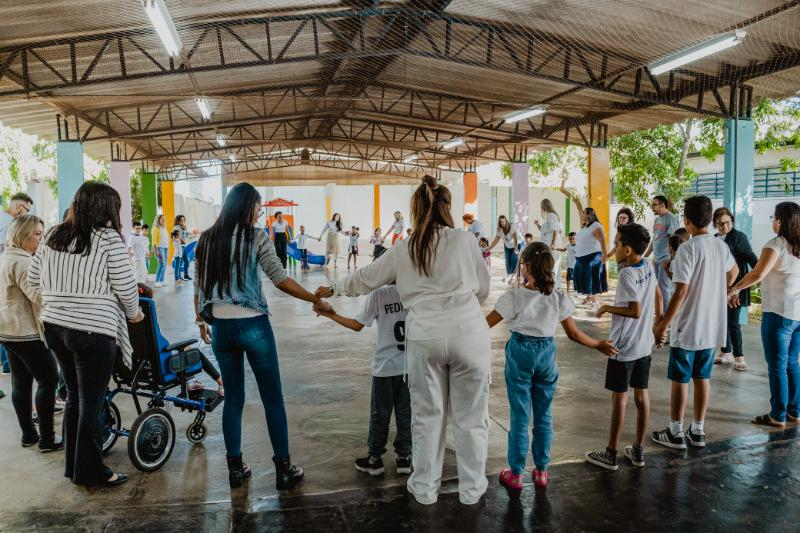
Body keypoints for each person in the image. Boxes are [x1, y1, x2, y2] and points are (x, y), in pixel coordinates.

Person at [315, 175, 491, 506]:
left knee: (427, 418)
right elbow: (483, 291)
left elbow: (366, 278)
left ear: (415, 210)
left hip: (424, 338)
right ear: (446, 207)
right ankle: (471, 491)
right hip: (469, 332)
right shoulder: (466, 241)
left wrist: (333, 289)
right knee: (471, 418)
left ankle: (424, 489)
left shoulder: (404, 248)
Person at [193, 182, 332, 490]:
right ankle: (284, 468)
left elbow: (199, 285)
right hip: (253, 326)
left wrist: (201, 321)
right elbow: (280, 279)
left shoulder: (207, 239)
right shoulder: (256, 237)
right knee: (272, 398)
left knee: (233, 400)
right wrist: (313, 299)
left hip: (222, 330)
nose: (259, 211)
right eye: (257, 206)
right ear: (246, 206)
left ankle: (235, 470)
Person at [28, 181, 144, 487]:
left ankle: (74, 467)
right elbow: (125, 286)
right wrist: (134, 314)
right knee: (92, 402)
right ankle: (92, 472)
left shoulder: (53, 233)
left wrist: (60, 296)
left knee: (75, 398)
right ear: (105, 208)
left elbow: (32, 276)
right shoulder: (108, 239)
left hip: (54, 328)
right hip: (93, 331)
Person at [486, 242, 617, 492]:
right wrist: (598, 343)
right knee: (544, 415)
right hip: (546, 354)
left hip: (520, 355)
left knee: (520, 416)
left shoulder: (513, 296)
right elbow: (575, 334)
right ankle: (542, 472)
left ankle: (515, 474)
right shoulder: (557, 297)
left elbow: (485, 325)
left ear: (525, 267)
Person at [651, 195, 738, 450]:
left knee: (680, 377)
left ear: (686, 220)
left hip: (688, 325)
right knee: (702, 377)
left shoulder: (687, 248)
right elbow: (733, 272)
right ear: (710, 220)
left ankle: (676, 430)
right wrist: (721, 291)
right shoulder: (720, 247)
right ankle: (698, 429)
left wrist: (662, 324)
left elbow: (680, 292)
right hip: (712, 326)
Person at [585, 224, 662, 471]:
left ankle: (610, 453)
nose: (614, 249)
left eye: (616, 245)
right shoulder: (648, 266)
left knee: (620, 398)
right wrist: (658, 327)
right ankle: (638, 451)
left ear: (628, 250)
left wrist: (607, 307)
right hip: (644, 344)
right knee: (642, 395)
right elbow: (658, 296)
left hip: (624, 347)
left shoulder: (628, 274)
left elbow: (634, 311)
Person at [314, 284, 412, 476]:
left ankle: (375, 459)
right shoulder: (415, 289)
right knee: (406, 414)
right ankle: (404, 458)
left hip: (385, 367)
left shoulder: (379, 294)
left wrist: (331, 314)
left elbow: (357, 325)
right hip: (410, 365)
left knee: (380, 414)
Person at [727, 202, 800, 428]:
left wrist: (734, 289)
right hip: (797, 314)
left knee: (777, 366)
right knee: (792, 363)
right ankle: (794, 411)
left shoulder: (776, 244)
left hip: (778, 314)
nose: (772, 221)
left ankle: (777, 415)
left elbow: (758, 273)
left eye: (773, 217)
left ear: (781, 220)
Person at [0, 214, 63, 452]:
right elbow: (39, 297)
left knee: (21, 382)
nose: (41, 239)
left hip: (8, 331)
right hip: (26, 332)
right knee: (49, 379)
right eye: (37, 234)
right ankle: (47, 439)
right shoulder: (25, 262)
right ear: (22, 234)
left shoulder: (6, 257)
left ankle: (28, 435)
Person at [137, 284, 223, 395]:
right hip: (160, 365)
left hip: (141, 363)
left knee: (185, 348)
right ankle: (221, 384)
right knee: (194, 352)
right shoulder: (148, 319)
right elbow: (162, 345)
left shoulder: (130, 320)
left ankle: (191, 382)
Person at [712, 207, 758, 371]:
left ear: (731, 222)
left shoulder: (738, 237)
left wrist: (746, 284)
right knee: (722, 320)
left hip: (736, 287)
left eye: (726, 223)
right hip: (719, 286)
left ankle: (739, 355)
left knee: (733, 322)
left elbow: (753, 260)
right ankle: (726, 352)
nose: (723, 226)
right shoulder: (715, 238)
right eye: (719, 223)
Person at [0, 192, 34, 378]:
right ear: (19, 207)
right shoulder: (9, 223)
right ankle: (8, 364)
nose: (25, 214)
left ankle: (6, 363)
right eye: (26, 209)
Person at [646, 196, 681, 315]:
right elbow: (655, 240)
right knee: (657, 288)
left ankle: (667, 315)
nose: (652, 208)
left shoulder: (671, 219)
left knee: (665, 288)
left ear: (662, 205)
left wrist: (671, 261)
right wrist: (646, 256)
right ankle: (660, 312)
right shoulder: (657, 220)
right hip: (656, 259)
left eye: (654, 205)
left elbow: (674, 242)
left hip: (665, 259)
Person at [573, 207, 608, 309]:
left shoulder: (595, 225)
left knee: (592, 279)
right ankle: (589, 298)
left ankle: (595, 302)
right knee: (585, 279)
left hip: (592, 257)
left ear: (589, 215)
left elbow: (602, 239)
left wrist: (604, 254)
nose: (582, 214)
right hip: (582, 259)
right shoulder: (585, 227)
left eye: (583, 213)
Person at [534, 199, 564, 288]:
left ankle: (552, 285)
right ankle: (553, 284)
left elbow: (556, 230)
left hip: (552, 244)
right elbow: (544, 230)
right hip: (549, 243)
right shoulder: (550, 216)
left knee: (552, 264)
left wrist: (553, 243)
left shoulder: (551, 215)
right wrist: (537, 224)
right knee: (551, 264)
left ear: (544, 206)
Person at [488, 215, 518, 282]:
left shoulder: (511, 226)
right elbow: (496, 240)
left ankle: (512, 276)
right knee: (507, 260)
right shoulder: (500, 229)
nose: (503, 223)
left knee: (514, 259)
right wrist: (489, 248)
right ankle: (509, 275)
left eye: (504, 221)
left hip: (515, 245)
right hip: (507, 246)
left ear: (506, 220)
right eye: (501, 222)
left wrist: (516, 248)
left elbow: (516, 238)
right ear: (499, 222)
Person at [152, 214, 170, 287]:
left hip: (166, 247)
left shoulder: (164, 228)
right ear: (158, 220)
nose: (163, 220)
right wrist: (156, 251)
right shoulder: (156, 228)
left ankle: (162, 280)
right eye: (162, 219)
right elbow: (154, 241)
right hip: (159, 248)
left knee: (164, 264)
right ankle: (157, 281)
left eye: (164, 219)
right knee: (162, 264)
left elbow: (166, 237)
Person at [175, 215, 192, 280]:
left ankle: (185, 275)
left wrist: (192, 234)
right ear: (178, 221)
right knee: (179, 262)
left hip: (183, 246)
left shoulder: (183, 227)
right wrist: (181, 240)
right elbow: (174, 236)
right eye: (181, 220)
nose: (182, 221)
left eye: (183, 220)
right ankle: (178, 277)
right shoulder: (176, 227)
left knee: (187, 261)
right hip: (179, 246)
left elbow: (187, 235)